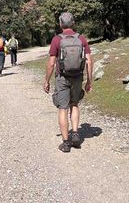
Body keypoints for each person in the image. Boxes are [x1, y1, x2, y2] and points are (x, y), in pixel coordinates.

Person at [44, 12, 93, 153]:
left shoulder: (56, 40)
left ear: (60, 24)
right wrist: (89, 81)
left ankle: (66, 143)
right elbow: (89, 61)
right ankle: (76, 134)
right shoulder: (81, 39)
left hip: (62, 78)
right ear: (73, 23)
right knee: (75, 104)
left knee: (63, 108)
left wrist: (46, 81)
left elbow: (51, 64)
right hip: (77, 77)